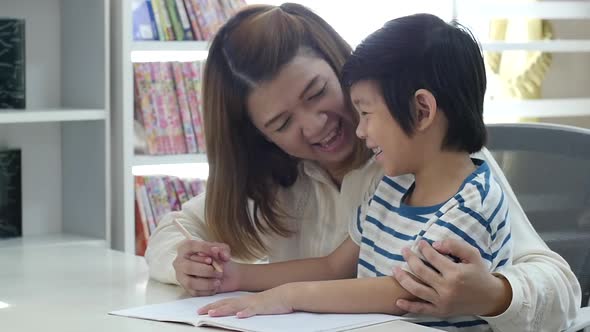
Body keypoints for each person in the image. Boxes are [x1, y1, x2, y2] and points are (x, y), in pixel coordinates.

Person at [144, 3, 581, 331]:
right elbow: (178, 229)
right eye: (281, 123)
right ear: (259, 138)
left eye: (317, 92)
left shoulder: (446, 173)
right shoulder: (282, 181)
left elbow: (559, 286)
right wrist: (194, 265)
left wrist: (496, 293)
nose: (315, 125)